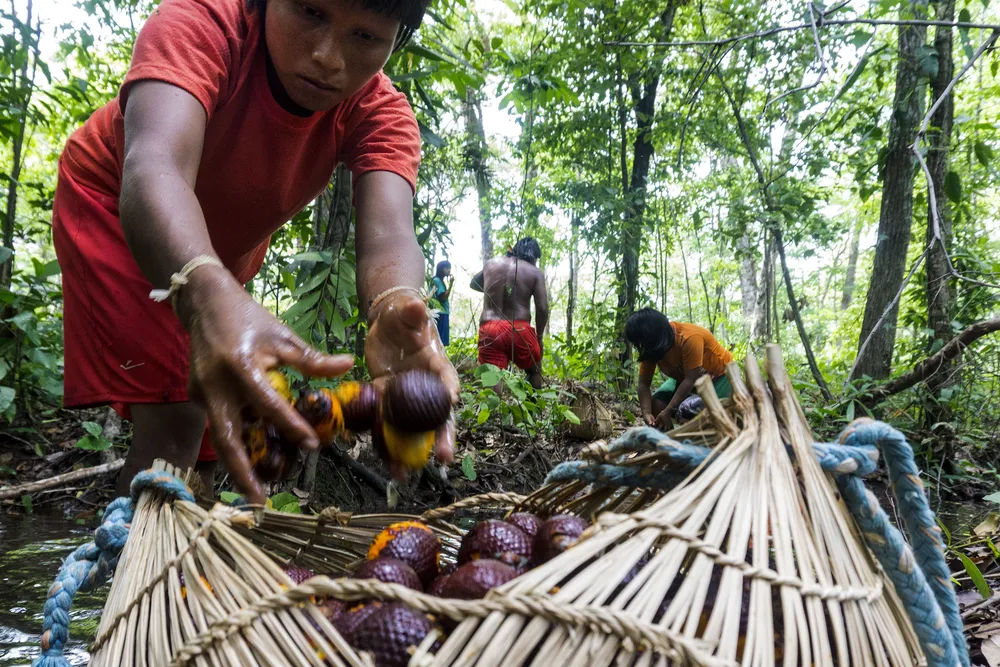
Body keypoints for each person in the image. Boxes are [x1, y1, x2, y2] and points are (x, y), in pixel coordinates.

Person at [51, 0, 459, 505]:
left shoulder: (380, 113)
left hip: (219, 255)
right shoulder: (201, 25)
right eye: (310, 13)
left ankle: (181, 552)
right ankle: (146, 573)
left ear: (395, 41)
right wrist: (205, 287)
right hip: (117, 209)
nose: (328, 57)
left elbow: (390, 234)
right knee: (173, 428)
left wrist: (395, 301)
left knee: (209, 422)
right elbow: (154, 166)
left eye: (365, 38)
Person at [625, 308, 734, 431]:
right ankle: (670, 439)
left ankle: (696, 439)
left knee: (689, 410)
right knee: (656, 403)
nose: (641, 347)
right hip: (683, 377)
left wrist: (668, 410)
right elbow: (644, 384)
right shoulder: (650, 348)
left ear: (653, 337)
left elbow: (690, 379)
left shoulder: (689, 338)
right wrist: (646, 412)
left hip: (718, 375)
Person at [470, 238, 548, 389]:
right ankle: (534, 411)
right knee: (535, 370)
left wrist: (494, 285)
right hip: (520, 330)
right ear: (533, 256)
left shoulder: (491, 264)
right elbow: (543, 308)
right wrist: (538, 337)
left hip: (490, 329)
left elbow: (474, 283)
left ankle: (491, 410)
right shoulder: (535, 272)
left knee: (492, 377)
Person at [429, 260, 452, 346]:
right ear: (442, 269)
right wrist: (451, 285)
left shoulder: (436, 280)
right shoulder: (438, 281)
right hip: (441, 313)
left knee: (436, 340)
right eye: (447, 268)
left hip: (437, 312)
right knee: (440, 342)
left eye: (450, 268)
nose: (449, 270)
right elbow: (443, 297)